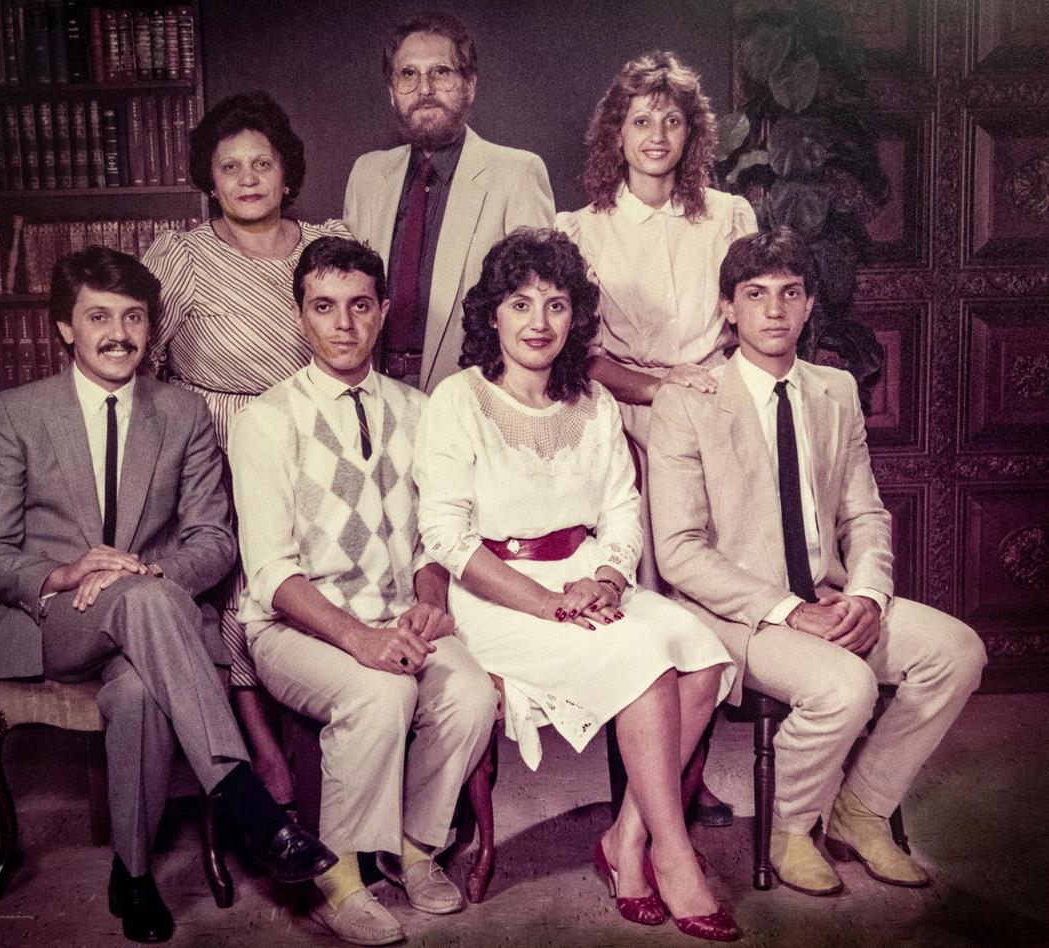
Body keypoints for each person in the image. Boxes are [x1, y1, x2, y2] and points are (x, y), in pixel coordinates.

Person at [0, 246, 336, 943]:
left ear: (150, 327)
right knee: (136, 602)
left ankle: (132, 877)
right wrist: (68, 574)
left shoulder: (182, 411)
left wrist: (145, 576)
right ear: (65, 328)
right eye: (98, 316)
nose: (119, 333)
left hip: (151, 625)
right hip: (54, 622)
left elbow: (215, 540)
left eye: (133, 317)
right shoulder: (18, 412)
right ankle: (250, 804)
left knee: (137, 685)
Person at [414, 230, 740, 942]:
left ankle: (626, 837)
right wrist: (543, 602)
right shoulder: (456, 400)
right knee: (644, 663)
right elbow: (446, 537)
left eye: (556, 305)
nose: (538, 322)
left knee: (705, 652)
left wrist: (606, 575)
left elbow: (622, 508)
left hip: (583, 578)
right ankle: (671, 854)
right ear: (492, 315)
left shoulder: (593, 401)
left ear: (575, 318)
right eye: (521, 303)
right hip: (495, 595)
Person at [649, 227, 988, 897]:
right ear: (728, 307)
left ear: (808, 307)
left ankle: (861, 809)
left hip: (829, 596)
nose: (773, 311)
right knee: (845, 688)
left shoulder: (834, 390)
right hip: (737, 617)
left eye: (790, 294)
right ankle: (790, 829)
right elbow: (680, 551)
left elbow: (864, 514)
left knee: (957, 651)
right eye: (755, 295)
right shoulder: (689, 401)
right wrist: (787, 611)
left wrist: (866, 594)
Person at [229, 236, 496, 947]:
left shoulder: (418, 410)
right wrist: (361, 640)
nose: (342, 324)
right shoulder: (265, 420)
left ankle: (412, 845)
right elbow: (270, 574)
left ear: (381, 314)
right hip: (292, 632)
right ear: (300, 318)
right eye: (323, 307)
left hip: (393, 618)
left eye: (358, 306)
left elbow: (431, 540)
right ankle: (335, 881)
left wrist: (428, 598)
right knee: (380, 692)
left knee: (472, 693)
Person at [556, 49, 757, 825]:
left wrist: (703, 391)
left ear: (691, 133)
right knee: (643, 607)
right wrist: (657, 389)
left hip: (713, 413)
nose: (656, 134)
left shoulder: (729, 214)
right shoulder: (583, 228)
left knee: (704, 597)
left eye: (671, 120)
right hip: (629, 419)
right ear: (617, 133)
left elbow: (747, 315)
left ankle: (688, 780)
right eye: (641, 119)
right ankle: (636, 793)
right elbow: (582, 351)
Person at [142, 91, 352, 812]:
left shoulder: (328, 240)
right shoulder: (182, 255)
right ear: (211, 180)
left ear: (286, 173)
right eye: (230, 167)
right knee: (244, 579)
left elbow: (356, 332)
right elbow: (139, 364)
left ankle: (337, 720)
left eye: (262, 162)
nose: (248, 178)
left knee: (329, 566)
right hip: (219, 439)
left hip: (318, 431)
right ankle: (257, 737)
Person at [343, 10, 555, 392]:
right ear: (392, 91)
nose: (424, 89)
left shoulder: (517, 174)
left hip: (477, 393)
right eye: (408, 74)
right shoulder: (367, 176)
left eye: (441, 72)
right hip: (374, 389)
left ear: (469, 85)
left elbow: (538, 307)